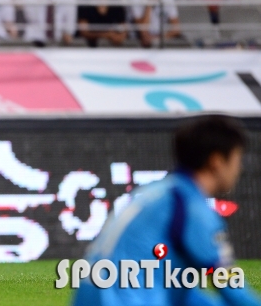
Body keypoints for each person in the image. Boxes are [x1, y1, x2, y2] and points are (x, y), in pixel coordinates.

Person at [73, 115, 261, 306]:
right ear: (217, 161)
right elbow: (229, 284)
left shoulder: (154, 193)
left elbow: (178, 291)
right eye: (238, 158)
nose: (240, 168)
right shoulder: (191, 206)